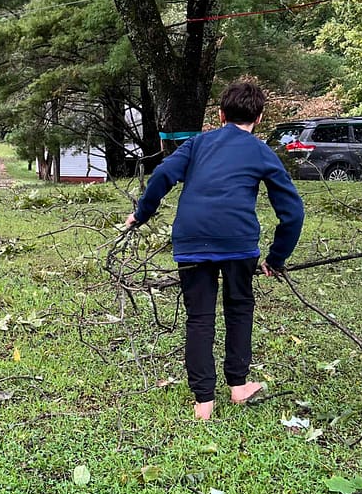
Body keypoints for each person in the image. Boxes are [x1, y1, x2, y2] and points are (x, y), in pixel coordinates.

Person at [123, 81, 304, 418]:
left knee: (199, 318)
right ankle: (238, 386)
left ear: (220, 114)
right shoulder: (261, 151)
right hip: (238, 243)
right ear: (260, 117)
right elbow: (292, 213)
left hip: (191, 241)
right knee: (238, 310)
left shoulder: (198, 143)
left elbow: (163, 174)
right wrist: (276, 257)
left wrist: (141, 213)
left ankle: (203, 402)